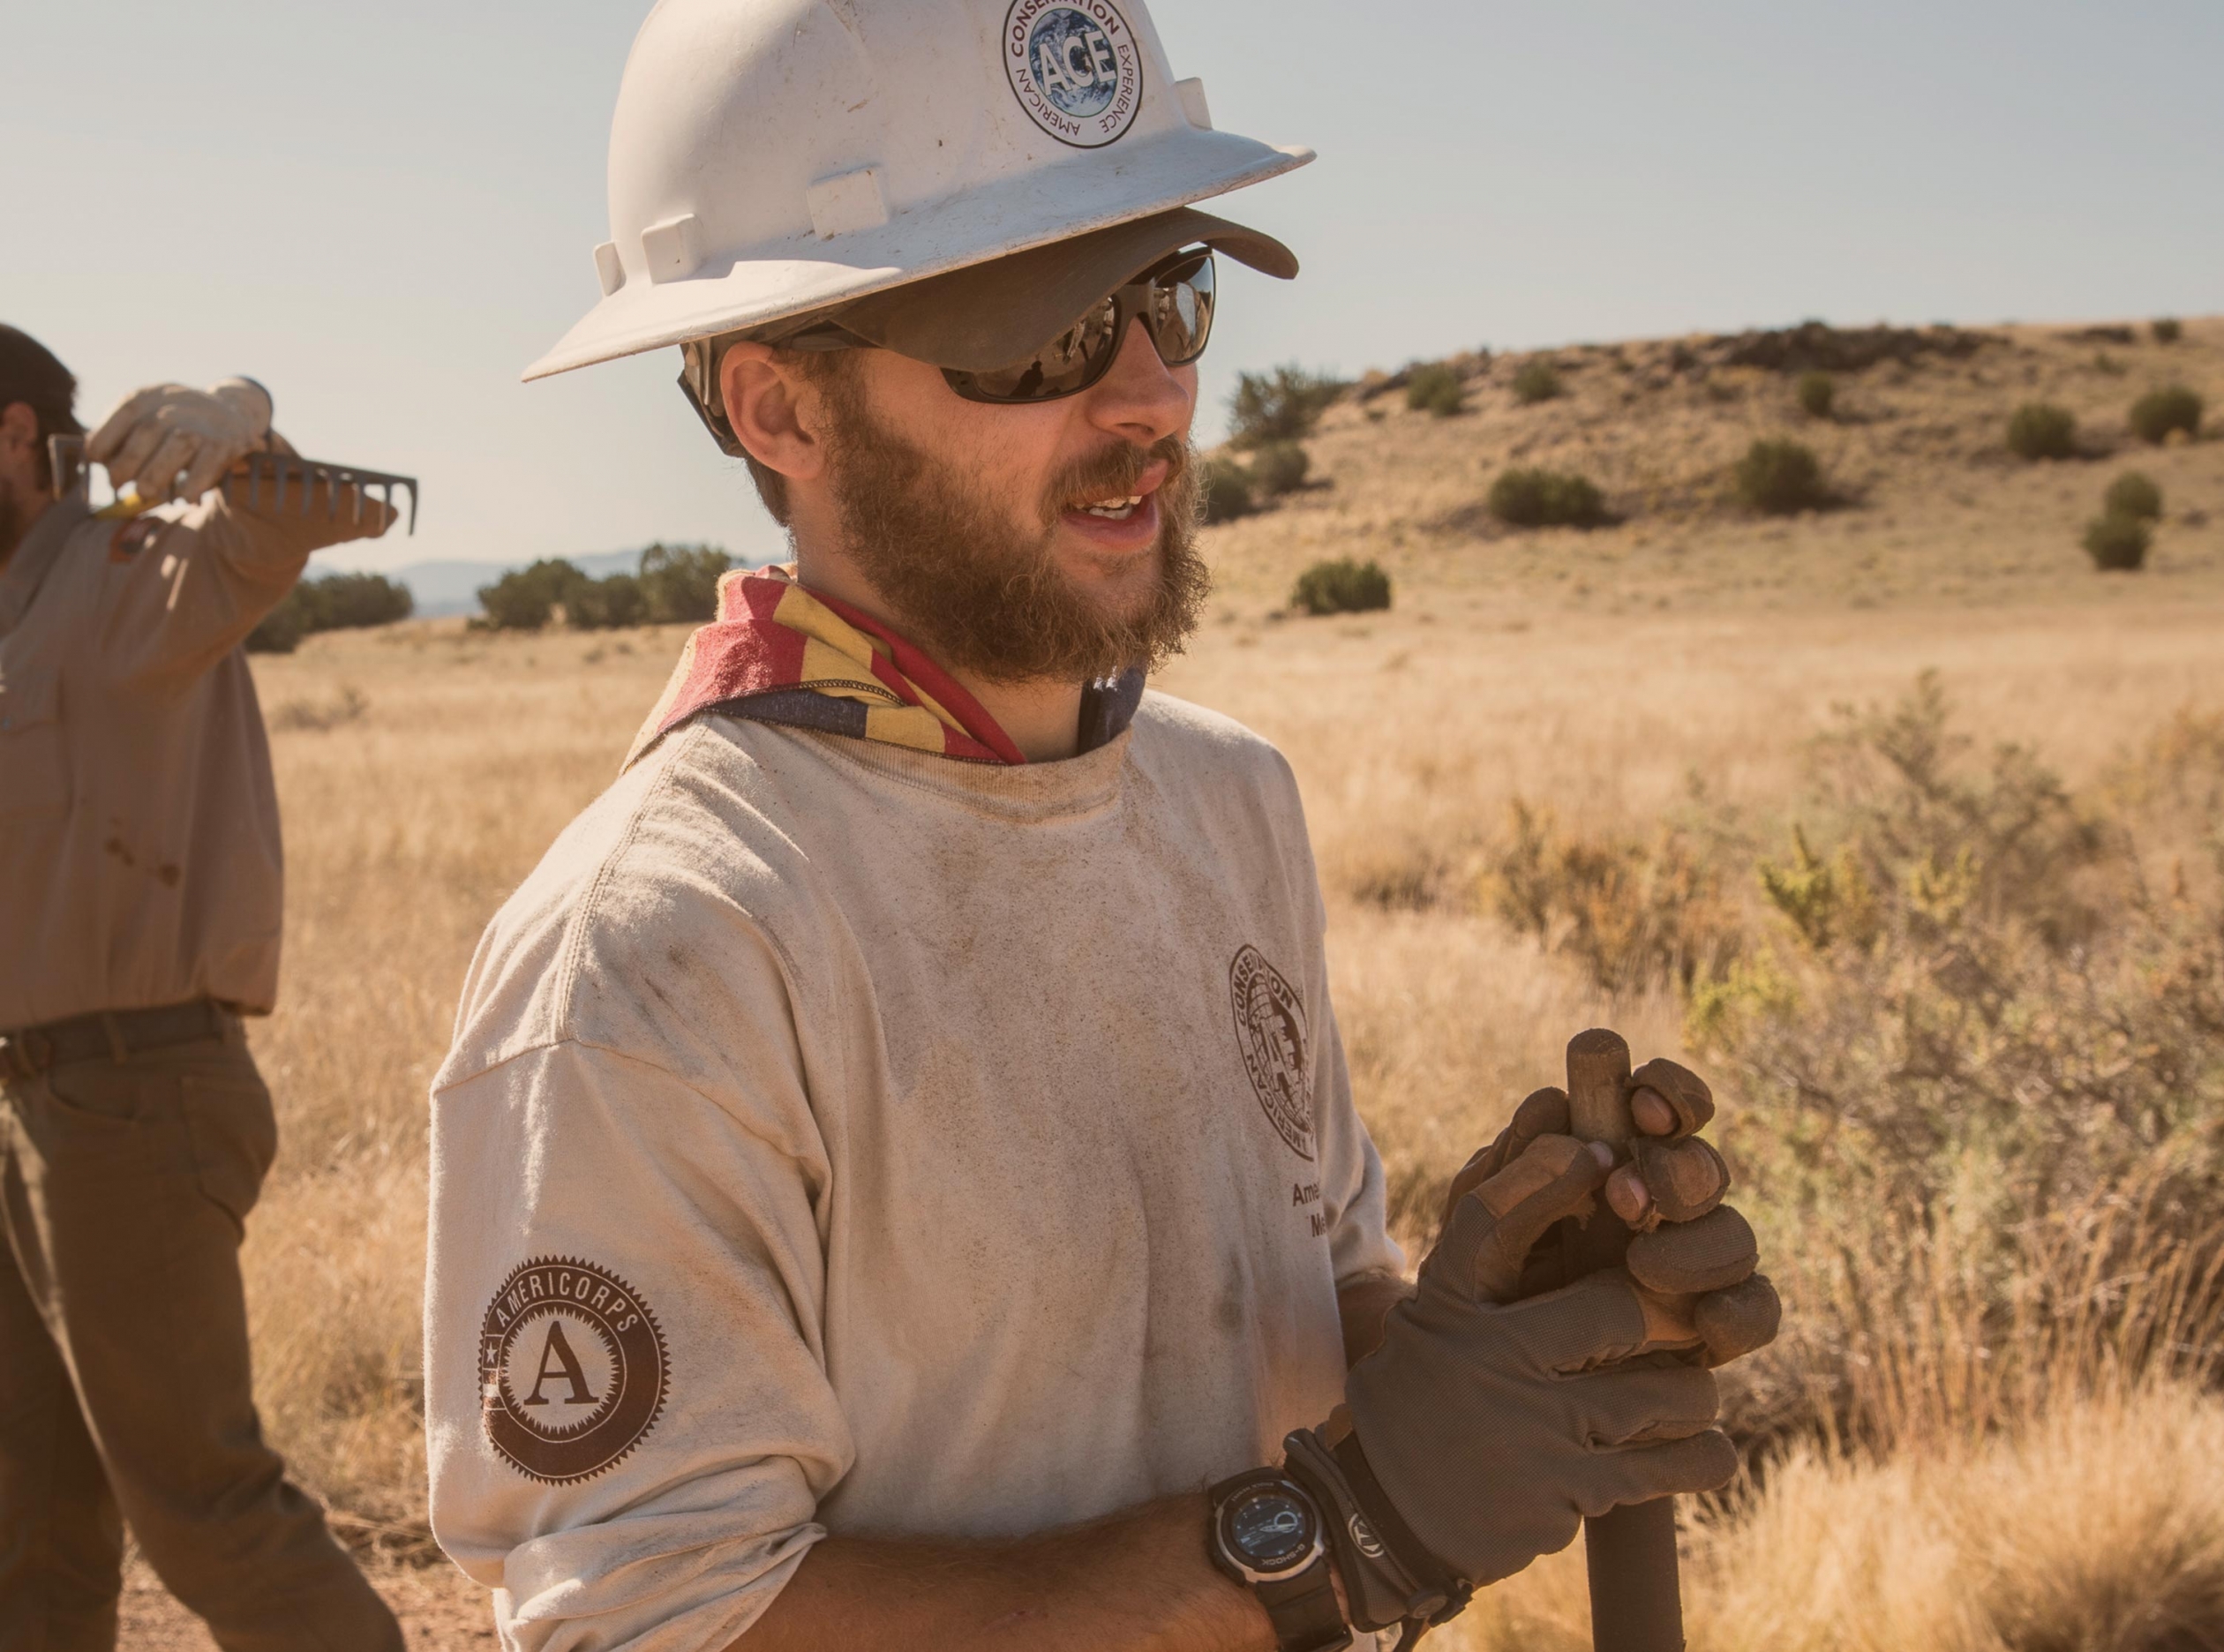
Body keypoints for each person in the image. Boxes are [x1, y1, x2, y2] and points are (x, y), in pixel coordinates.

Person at [424, 3, 1779, 1648]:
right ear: (780, 411)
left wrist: (1473, 1334)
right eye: (1039, 333)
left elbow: (1281, 1323)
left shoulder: (1224, 800)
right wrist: (1333, 1543)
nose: (1149, 396)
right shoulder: (661, 944)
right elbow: (655, 1623)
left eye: (1168, 295)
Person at [0, 323, 404, 1652]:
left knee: (200, 1509)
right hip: (27, 1108)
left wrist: (248, 413)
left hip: (130, 1092)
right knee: (32, 1515)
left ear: (11, 437)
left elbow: (296, 522)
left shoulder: (136, 568)